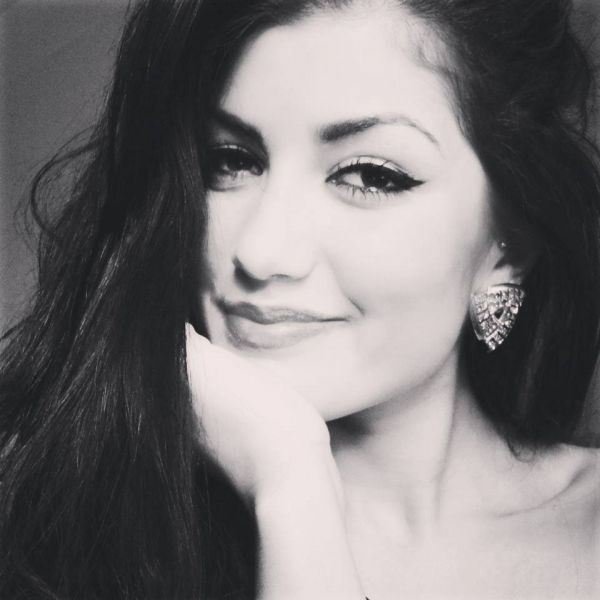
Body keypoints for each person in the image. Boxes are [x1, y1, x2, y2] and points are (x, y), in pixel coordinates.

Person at [1, 0, 600, 597]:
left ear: (507, 248)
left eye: (369, 176)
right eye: (230, 162)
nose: (262, 253)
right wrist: (289, 480)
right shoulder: (60, 538)